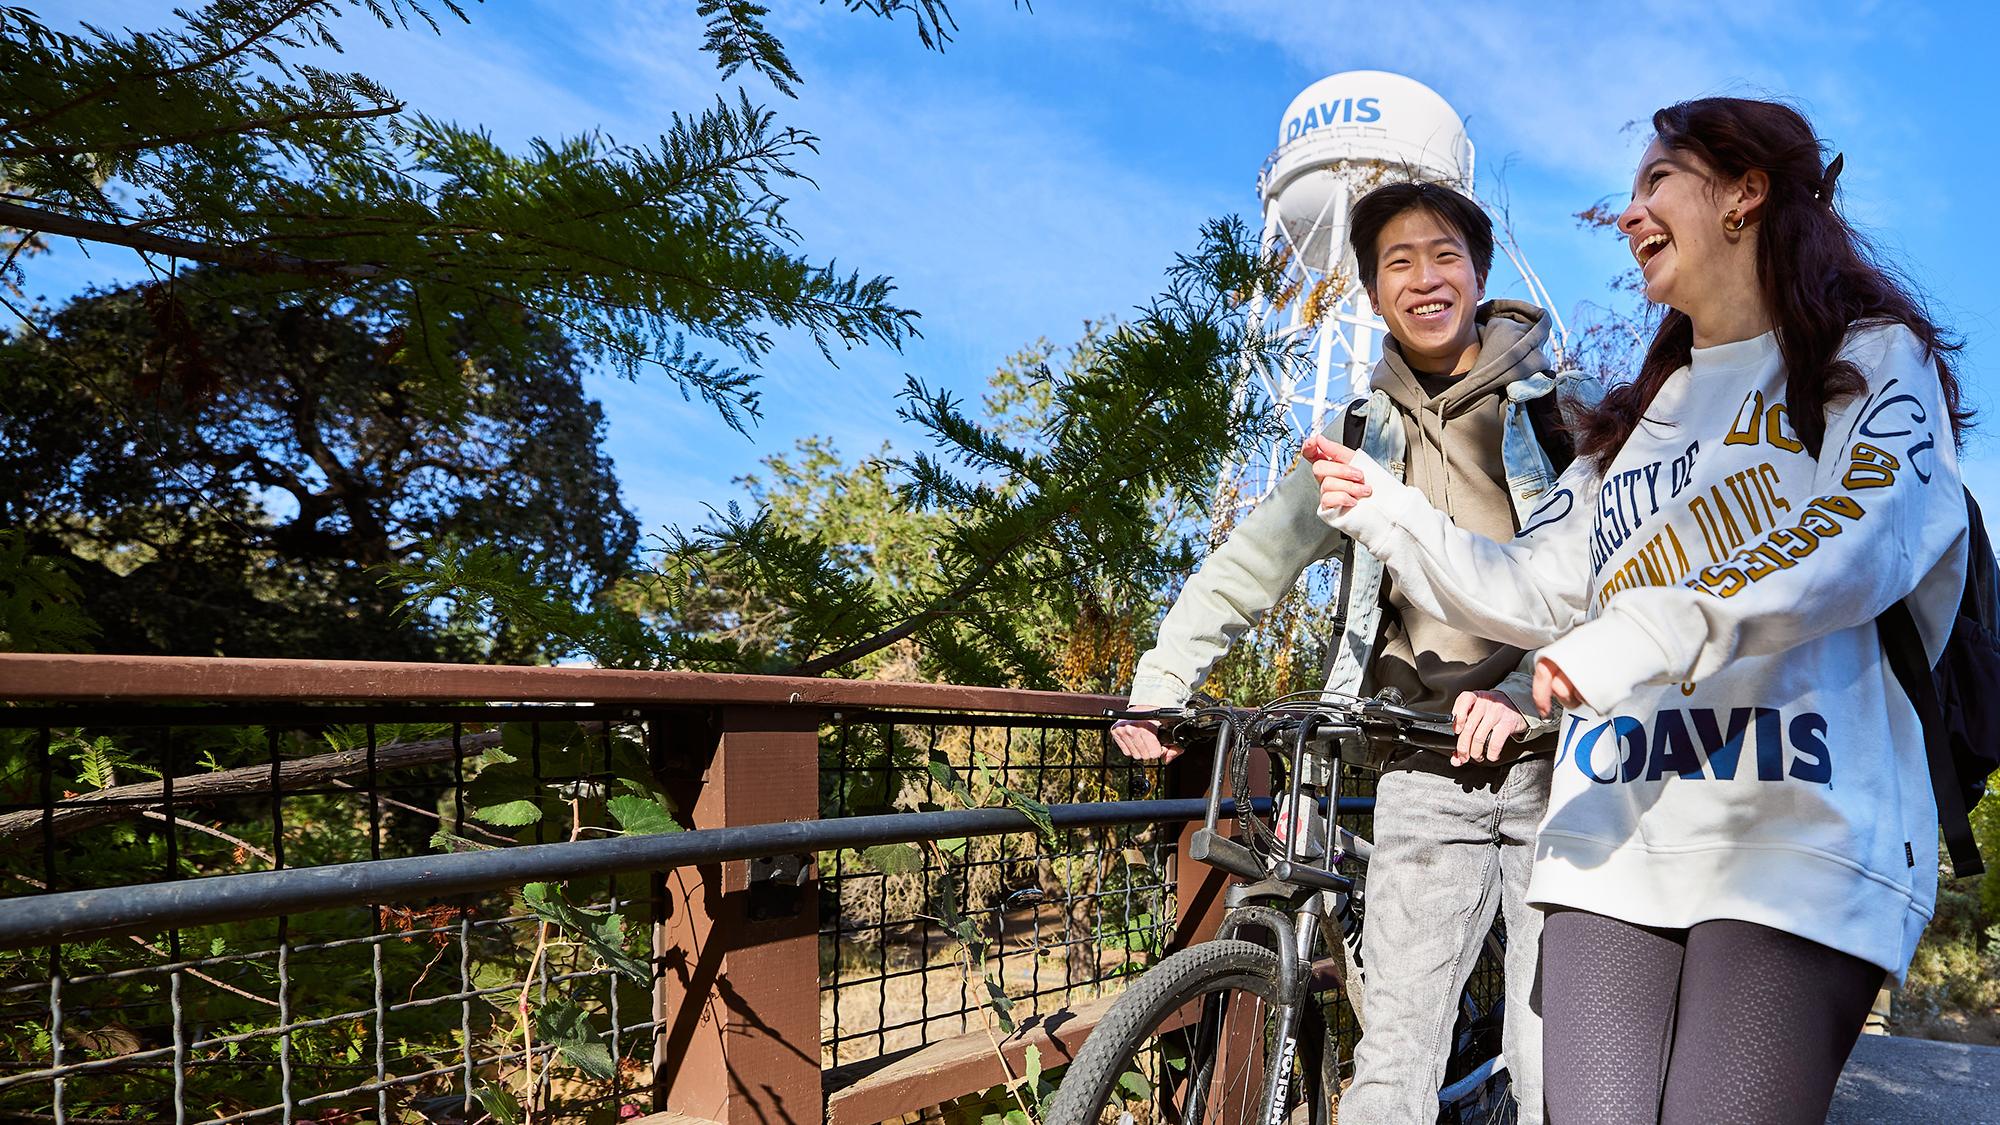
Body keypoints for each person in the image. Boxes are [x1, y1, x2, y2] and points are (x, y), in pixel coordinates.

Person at [1307, 97, 1972, 1125]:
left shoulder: (1868, 362)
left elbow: (1855, 543)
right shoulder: (1632, 424)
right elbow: (1532, 588)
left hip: (1790, 824)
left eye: (1656, 180)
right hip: (1606, 832)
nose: (1627, 214)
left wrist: (1637, 635)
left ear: (1745, 192)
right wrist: (1388, 514)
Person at [1113, 179, 1598, 1125]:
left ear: (1480, 272)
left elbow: (1615, 575)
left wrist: (1535, 696)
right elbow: (1250, 566)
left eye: (1444, 255)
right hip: (1421, 761)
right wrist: (1163, 682)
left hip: (1561, 759)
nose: (1424, 279)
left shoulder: (1561, 412)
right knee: (1395, 1049)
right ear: (1373, 294)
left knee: (1553, 1056)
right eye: (1397, 264)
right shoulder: (1355, 436)